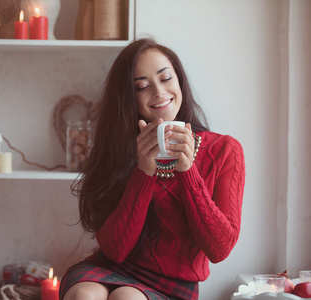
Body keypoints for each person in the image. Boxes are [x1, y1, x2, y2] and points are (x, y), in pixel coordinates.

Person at [59, 38, 246, 300]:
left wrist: (188, 171)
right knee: (84, 296)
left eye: (166, 78)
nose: (158, 92)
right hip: (112, 268)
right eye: (143, 86)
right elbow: (114, 250)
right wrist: (143, 171)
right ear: (129, 98)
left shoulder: (224, 149)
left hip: (175, 285)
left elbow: (219, 249)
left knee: (127, 298)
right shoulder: (119, 148)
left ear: (179, 81)